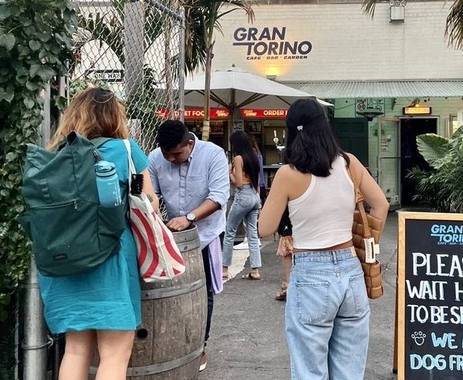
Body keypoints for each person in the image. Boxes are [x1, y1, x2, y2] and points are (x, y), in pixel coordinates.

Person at [258, 99, 389, 380]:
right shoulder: (349, 163)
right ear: (325, 126)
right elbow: (381, 205)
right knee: (349, 370)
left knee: (309, 371)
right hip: (351, 270)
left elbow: (264, 227)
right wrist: (367, 245)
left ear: (292, 131)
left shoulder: (288, 174)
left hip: (310, 273)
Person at [38, 86, 155, 379]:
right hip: (110, 259)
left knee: (76, 350)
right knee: (115, 353)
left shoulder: (58, 154)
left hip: (65, 261)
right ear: (114, 116)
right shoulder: (125, 149)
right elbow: (150, 202)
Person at [148, 120, 229, 372]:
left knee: (202, 294)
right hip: (172, 236)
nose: (171, 159)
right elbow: (152, 195)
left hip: (206, 234)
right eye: (167, 154)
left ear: (190, 144)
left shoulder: (213, 154)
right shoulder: (154, 158)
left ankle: (199, 345)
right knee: (167, 290)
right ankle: (170, 344)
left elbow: (218, 197)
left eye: (177, 154)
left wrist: (189, 218)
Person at [223, 130, 263, 280]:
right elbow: (257, 181)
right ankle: (255, 270)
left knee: (229, 231)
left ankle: (224, 269)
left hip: (243, 196)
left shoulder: (238, 158)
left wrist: (230, 173)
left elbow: (238, 183)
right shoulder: (253, 156)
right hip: (254, 196)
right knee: (252, 234)